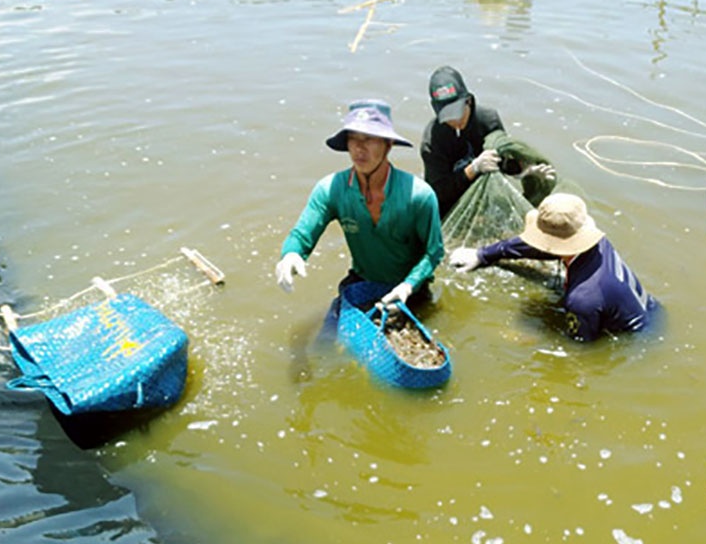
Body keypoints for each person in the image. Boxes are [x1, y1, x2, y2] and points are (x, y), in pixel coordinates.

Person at [275, 99, 445, 334]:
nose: (358, 148)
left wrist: (408, 286)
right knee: (327, 345)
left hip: (410, 293)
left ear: (389, 143)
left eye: (369, 139)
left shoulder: (419, 196)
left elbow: (434, 251)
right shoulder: (332, 189)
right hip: (362, 283)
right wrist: (291, 254)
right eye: (353, 138)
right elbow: (303, 233)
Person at [449, 193, 658, 342]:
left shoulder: (581, 298)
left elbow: (581, 347)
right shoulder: (598, 245)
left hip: (635, 339)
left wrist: (534, 337)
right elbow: (543, 248)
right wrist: (483, 255)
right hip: (648, 308)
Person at [420, 65, 554, 218]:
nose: (455, 121)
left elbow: (500, 162)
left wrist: (524, 171)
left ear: (468, 101)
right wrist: (473, 169)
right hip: (450, 206)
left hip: (485, 197)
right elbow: (438, 192)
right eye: (447, 117)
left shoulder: (488, 120)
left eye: (457, 113)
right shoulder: (432, 141)